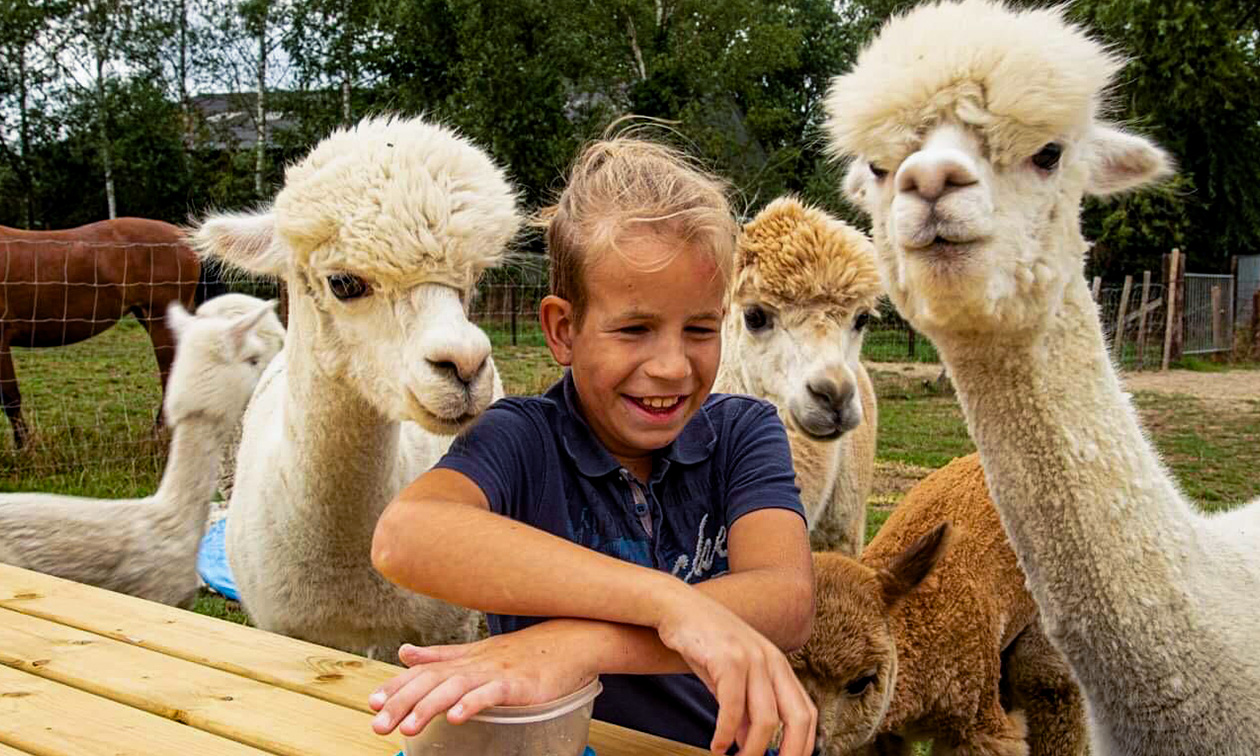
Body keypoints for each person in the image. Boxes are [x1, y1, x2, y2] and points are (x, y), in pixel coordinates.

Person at [368, 132, 817, 756]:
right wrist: (667, 602)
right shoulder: (521, 438)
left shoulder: (744, 431)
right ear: (563, 329)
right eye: (634, 329)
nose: (671, 367)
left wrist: (576, 645)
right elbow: (406, 536)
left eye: (700, 329)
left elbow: (786, 600)